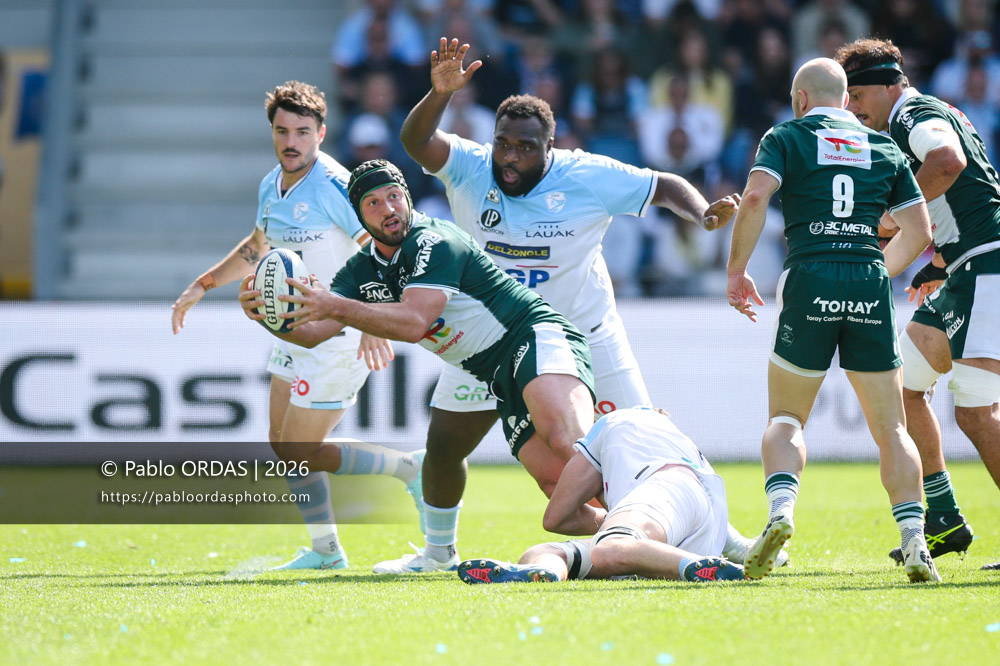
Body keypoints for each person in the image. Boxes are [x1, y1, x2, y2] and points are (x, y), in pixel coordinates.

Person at [379, 37, 747, 575]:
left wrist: (703, 214)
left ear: (550, 146)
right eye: (503, 144)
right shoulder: (471, 167)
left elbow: (665, 185)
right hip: (489, 341)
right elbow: (415, 141)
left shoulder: (587, 176)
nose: (510, 157)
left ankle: (725, 536)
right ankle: (437, 553)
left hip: (585, 335)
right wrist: (439, 94)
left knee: (645, 442)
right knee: (443, 447)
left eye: (525, 147)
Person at [237, 158, 599, 573]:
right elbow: (314, 332)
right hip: (486, 370)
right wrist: (266, 316)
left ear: (407, 197)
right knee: (551, 484)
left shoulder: (433, 240)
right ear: (359, 215)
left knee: (567, 442)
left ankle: (643, 519)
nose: (388, 209)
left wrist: (333, 305)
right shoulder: (360, 269)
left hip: (528, 336)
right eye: (373, 203)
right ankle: (623, 536)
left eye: (394, 196)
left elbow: (414, 323)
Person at [171, 82, 423, 571]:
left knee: (301, 449)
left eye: (303, 132)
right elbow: (258, 246)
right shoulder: (272, 184)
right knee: (283, 444)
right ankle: (326, 550)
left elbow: (382, 247)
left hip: (340, 332)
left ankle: (408, 468)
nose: (292, 142)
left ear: (321, 134)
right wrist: (204, 283)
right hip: (294, 327)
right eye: (283, 131)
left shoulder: (336, 186)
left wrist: (374, 320)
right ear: (272, 132)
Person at [726, 58, 940, 582]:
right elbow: (920, 232)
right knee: (892, 427)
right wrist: (873, 270)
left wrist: (737, 271)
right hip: (867, 278)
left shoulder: (786, 136)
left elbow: (754, 197)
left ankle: (781, 513)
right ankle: (915, 540)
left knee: (786, 418)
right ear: (846, 101)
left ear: (800, 99)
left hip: (810, 276)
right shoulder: (884, 146)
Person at [837, 38, 1000, 571]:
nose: (852, 108)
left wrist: (892, 215)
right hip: (966, 265)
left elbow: (949, 162)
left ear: (889, 87)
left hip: (987, 265)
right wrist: (938, 261)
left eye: (857, 95)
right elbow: (968, 189)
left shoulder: (913, 114)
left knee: (976, 413)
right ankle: (945, 517)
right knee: (902, 386)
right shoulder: (923, 113)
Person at [457, 407, 748, 584]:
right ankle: (543, 572)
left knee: (608, 549)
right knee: (543, 552)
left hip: (667, 488)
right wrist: (617, 521)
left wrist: (610, 520)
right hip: (693, 530)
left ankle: (697, 568)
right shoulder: (679, 442)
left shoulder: (612, 422)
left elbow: (557, 516)